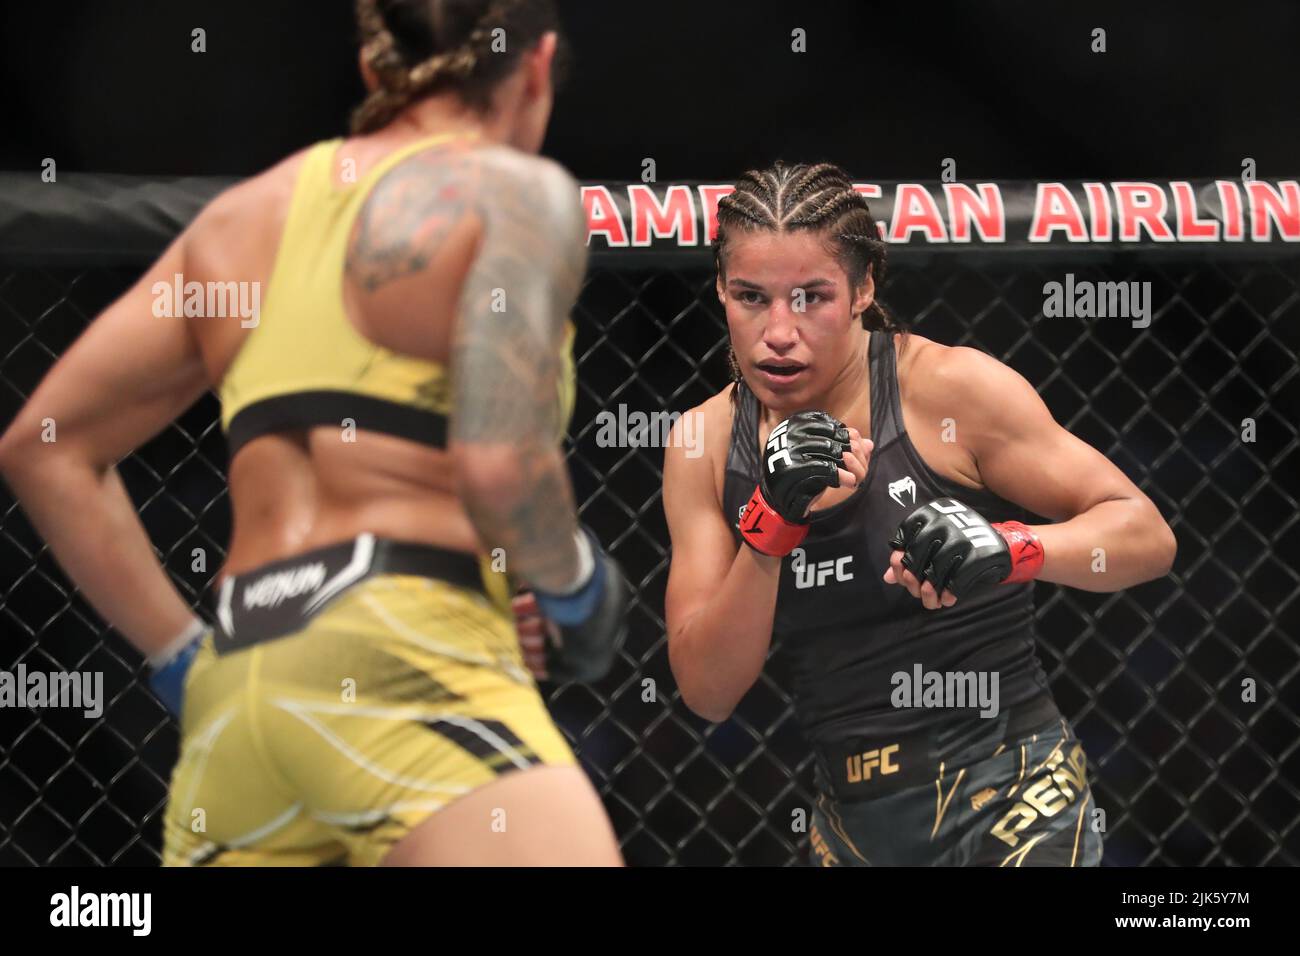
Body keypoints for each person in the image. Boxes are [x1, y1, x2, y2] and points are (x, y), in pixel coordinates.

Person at [0, 0, 627, 867]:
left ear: (375, 71)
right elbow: (497, 464)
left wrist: (180, 656)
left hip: (239, 696)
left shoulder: (237, 224)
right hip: (405, 658)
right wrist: (581, 591)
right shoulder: (517, 192)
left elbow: (44, 444)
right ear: (536, 65)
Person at [663, 161, 1177, 866]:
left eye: (811, 297)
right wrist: (768, 531)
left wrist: (1014, 548)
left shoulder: (948, 390)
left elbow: (1145, 533)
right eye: (752, 297)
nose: (778, 331)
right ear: (721, 290)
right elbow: (708, 690)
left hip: (1015, 788)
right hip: (852, 825)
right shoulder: (704, 444)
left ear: (863, 288)